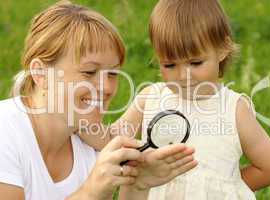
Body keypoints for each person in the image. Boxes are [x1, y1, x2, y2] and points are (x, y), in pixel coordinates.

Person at [80, 0, 270, 199]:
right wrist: (76, 121)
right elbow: (111, 140)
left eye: (195, 62)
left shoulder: (233, 109)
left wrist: (225, 189)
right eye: (170, 65)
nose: (183, 76)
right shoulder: (151, 98)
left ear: (222, 49)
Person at [0, 1, 198, 200]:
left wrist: (139, 184)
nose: (107, 88)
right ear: (40, 73)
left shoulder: (90, 146)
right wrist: (90, 192)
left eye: (112, 73)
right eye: (89, 72)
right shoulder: (5, 132)